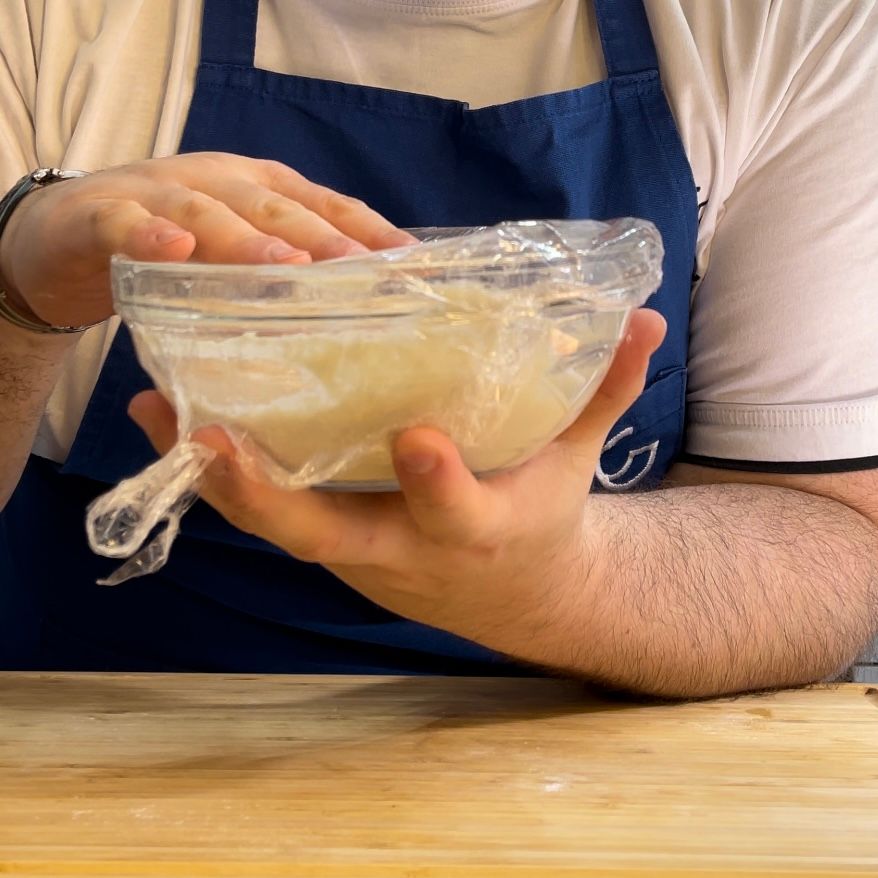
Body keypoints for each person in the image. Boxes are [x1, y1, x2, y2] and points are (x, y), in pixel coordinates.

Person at [1, 0, 876, 696]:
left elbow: (831, 538)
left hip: (588, 743)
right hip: (108, 708)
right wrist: (16, 298)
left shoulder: (794, 27)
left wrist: (558, 581)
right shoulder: (52, 23)